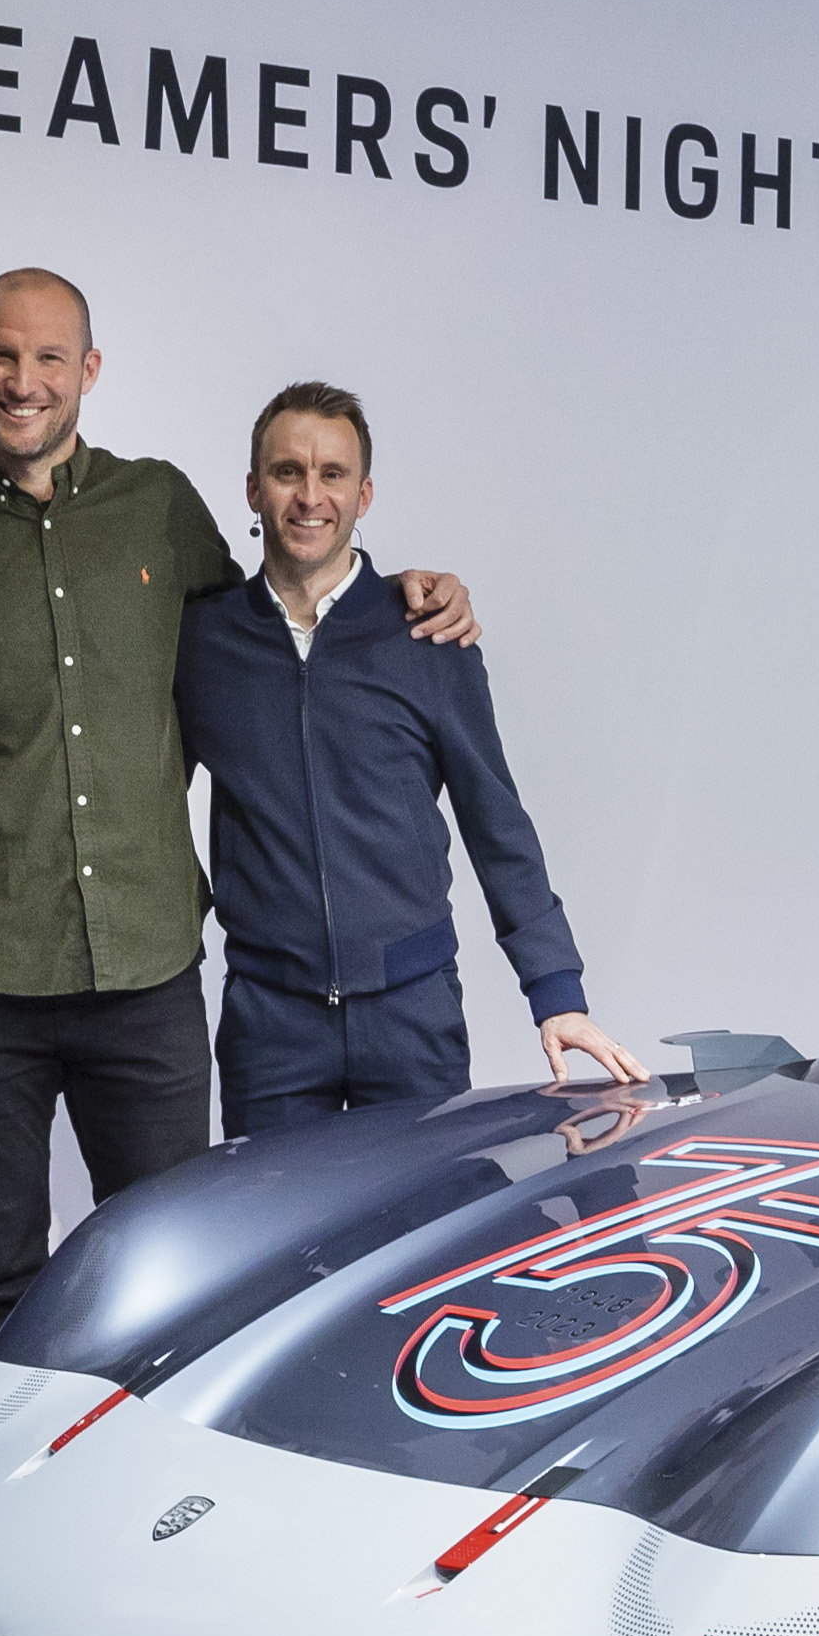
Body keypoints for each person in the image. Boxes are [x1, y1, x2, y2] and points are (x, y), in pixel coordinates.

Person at [0, 268, 474, 1390]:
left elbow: (269, 631)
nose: (24, 379)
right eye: (2, 355)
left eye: (50, 357)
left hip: (142, 971)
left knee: (170, 1271)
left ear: (89, 370)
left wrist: (403, 593)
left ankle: (140, 1497)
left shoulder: (158, 508)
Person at [175, 384, 642, 1131]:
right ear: (254, 489)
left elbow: (496, 822)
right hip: (270, 1029)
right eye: (288, 472)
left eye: (333, 474)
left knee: (428, 1210)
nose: (310, 496)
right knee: (277, 1214)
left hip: (412, 1020)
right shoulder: (203, 644)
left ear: (363, 495)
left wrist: (556, 993)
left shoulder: (426, 638)